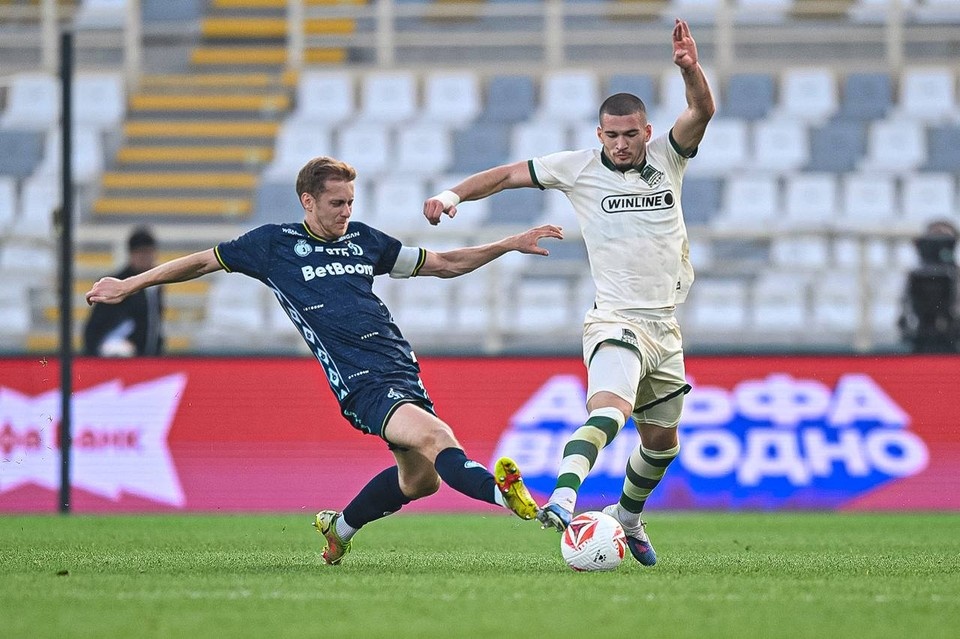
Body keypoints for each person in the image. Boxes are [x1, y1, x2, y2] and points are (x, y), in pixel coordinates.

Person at [86, 156, 562, 565]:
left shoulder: (365, 241)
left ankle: (339, 530)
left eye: (351, 202)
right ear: (307, 201)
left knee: (421, 482)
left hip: (401, 370)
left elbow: (443, 264)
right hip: (359, 383)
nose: (346, 212)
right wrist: (130, 284)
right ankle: (507, 497)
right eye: (337, 203)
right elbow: (201, 262)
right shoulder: (273, 246)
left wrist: (504, 244)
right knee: (439, 437)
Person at [423, 18, 715, 566]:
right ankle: (563, 496)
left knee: (661, 445)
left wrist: (690, 70)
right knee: (609, 413)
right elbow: (509, 175)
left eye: (632, 134)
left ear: (646, 133)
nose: (623, 144)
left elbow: (701, 112)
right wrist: (451, 195)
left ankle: (626, 517)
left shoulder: (668, 159)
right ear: (598, 133)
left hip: (665, 325)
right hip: (616, 321)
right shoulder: (576, 168)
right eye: (612, 135)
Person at [83, 226, 164, 357]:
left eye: (149, 252)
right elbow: (98, 324)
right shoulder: (117, 283)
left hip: (148, 355)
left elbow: (154, 324)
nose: (146, 258)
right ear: (131, 254)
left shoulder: (156, 285)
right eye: (141, 253)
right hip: (118, 351)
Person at [898, 220, 960, 353]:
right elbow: (905, 312)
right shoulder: (914, 275)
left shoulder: (956, 275)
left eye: (944, 239)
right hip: (920, 338)